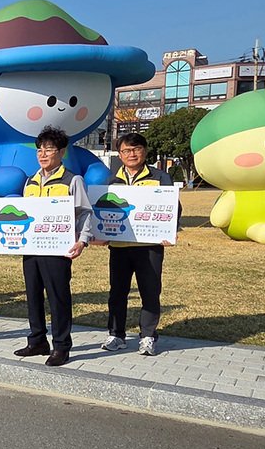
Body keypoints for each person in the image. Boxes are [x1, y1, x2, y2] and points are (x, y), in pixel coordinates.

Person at [13, 126, 94, 367]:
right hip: (32, 249)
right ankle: (37, 340)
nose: (43, 154)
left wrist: (83, 240)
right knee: (33, 296)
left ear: (61, 152)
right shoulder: (31, 181)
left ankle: (61, 346)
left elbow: (85, 213)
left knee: (58, 298)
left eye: (49, 149)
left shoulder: (72, 180)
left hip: (57, 250)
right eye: (40, 149)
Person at [101, 132, 174, 357]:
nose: (131, 154)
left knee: (150, 292)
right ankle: (117, 335)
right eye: (126, 150)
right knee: (117, 292)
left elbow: (173, 207)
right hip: (120, 247)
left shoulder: (160, 177)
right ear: (120, 154)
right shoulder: (111, 181)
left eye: (136, 149)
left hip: (149, 246)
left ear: (144, 151)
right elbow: (102, 210)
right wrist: (100, 231)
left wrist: (170, 230)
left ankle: (148, 336)